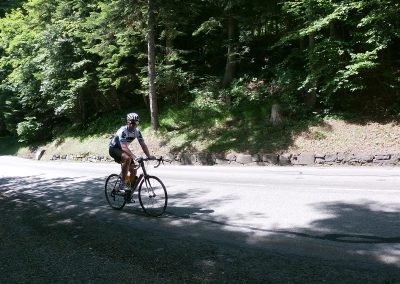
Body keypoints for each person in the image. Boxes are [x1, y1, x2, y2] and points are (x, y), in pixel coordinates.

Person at [109, 112, 155, 193]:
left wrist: (149, 156)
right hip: (114, 148)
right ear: (128, 122)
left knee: (134, 171)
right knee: (127, 158)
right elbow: (123, 147)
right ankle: (122, 183)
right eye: (133, 123)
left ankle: (126, 189)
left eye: (137, 123)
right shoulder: (123, 131)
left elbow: (143, 144)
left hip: (123, 149)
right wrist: (134, 156)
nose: (135, 125)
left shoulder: (137, 131)